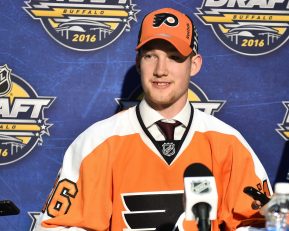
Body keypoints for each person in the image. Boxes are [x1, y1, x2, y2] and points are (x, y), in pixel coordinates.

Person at [33, 7, 272, 231]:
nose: (161, 69)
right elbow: (57, 226)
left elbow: (260, 223)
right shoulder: (97, 142)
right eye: (150, 56)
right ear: (139, 63)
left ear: (195, 65)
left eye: (174, 57)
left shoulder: (228, 144)